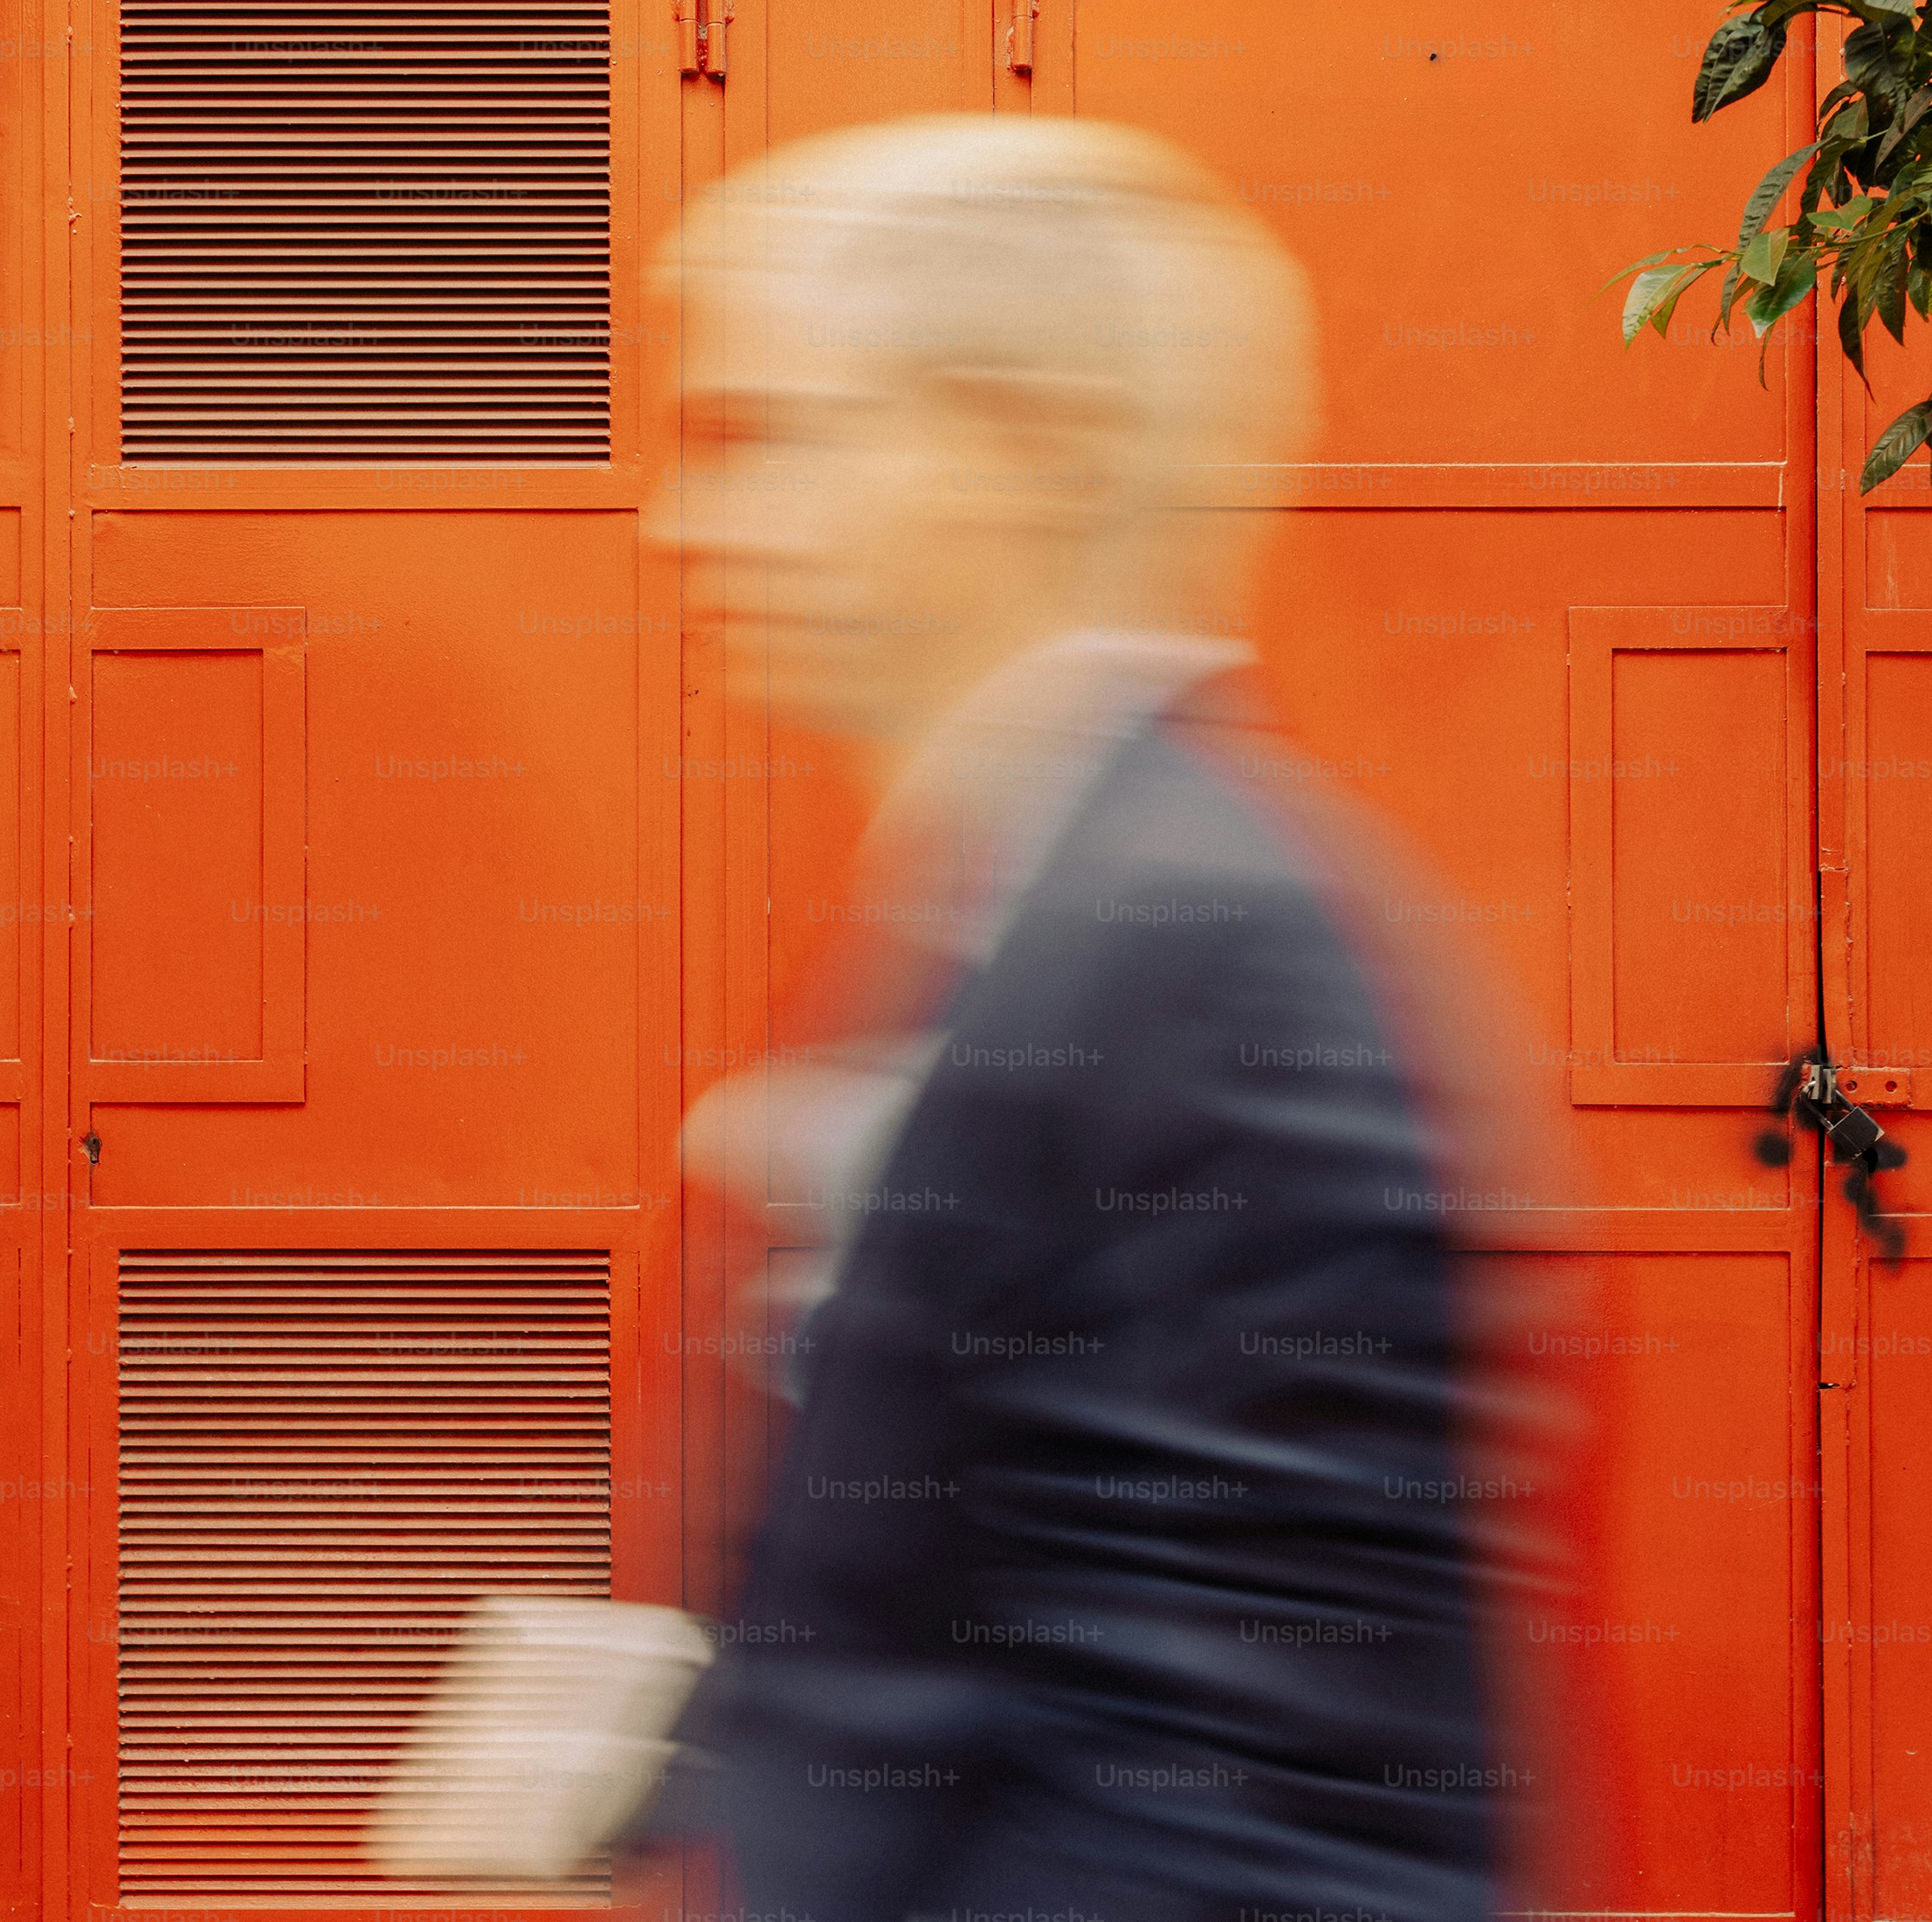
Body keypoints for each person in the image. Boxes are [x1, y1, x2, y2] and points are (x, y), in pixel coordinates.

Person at [646, 115, 1595, 1922]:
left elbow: (1277, 1818)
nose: (678, 517)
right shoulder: (1024, 901)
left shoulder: (1199, 954)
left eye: (761, 436)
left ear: (1028, 447)